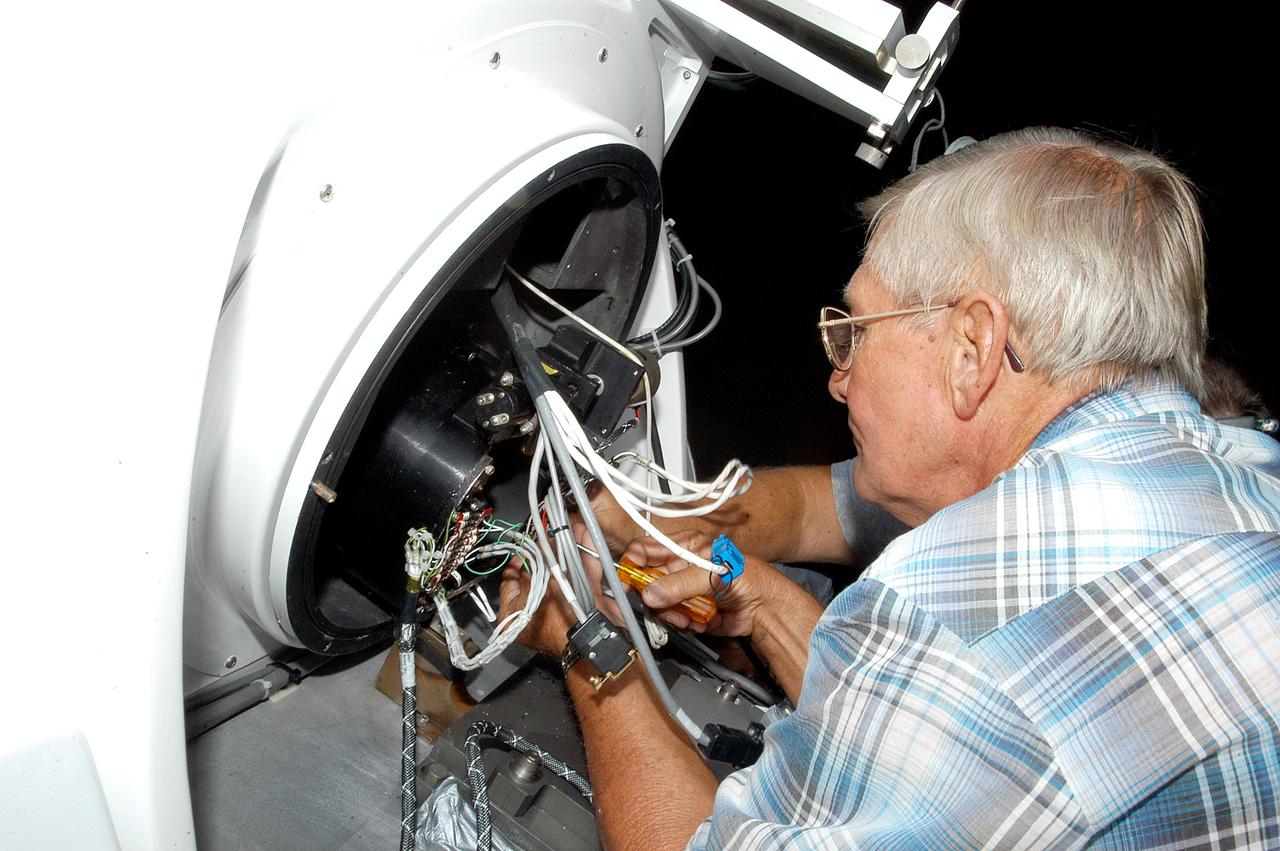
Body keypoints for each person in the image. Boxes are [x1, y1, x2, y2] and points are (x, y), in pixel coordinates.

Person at [499, 127, 1280, 848]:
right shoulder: (1239, 464)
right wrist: (733, 575)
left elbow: (957, 683)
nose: (838, 380)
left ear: (973, 347)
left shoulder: (947, 617)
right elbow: (819, 516)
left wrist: (587, 640)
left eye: (857, 331)